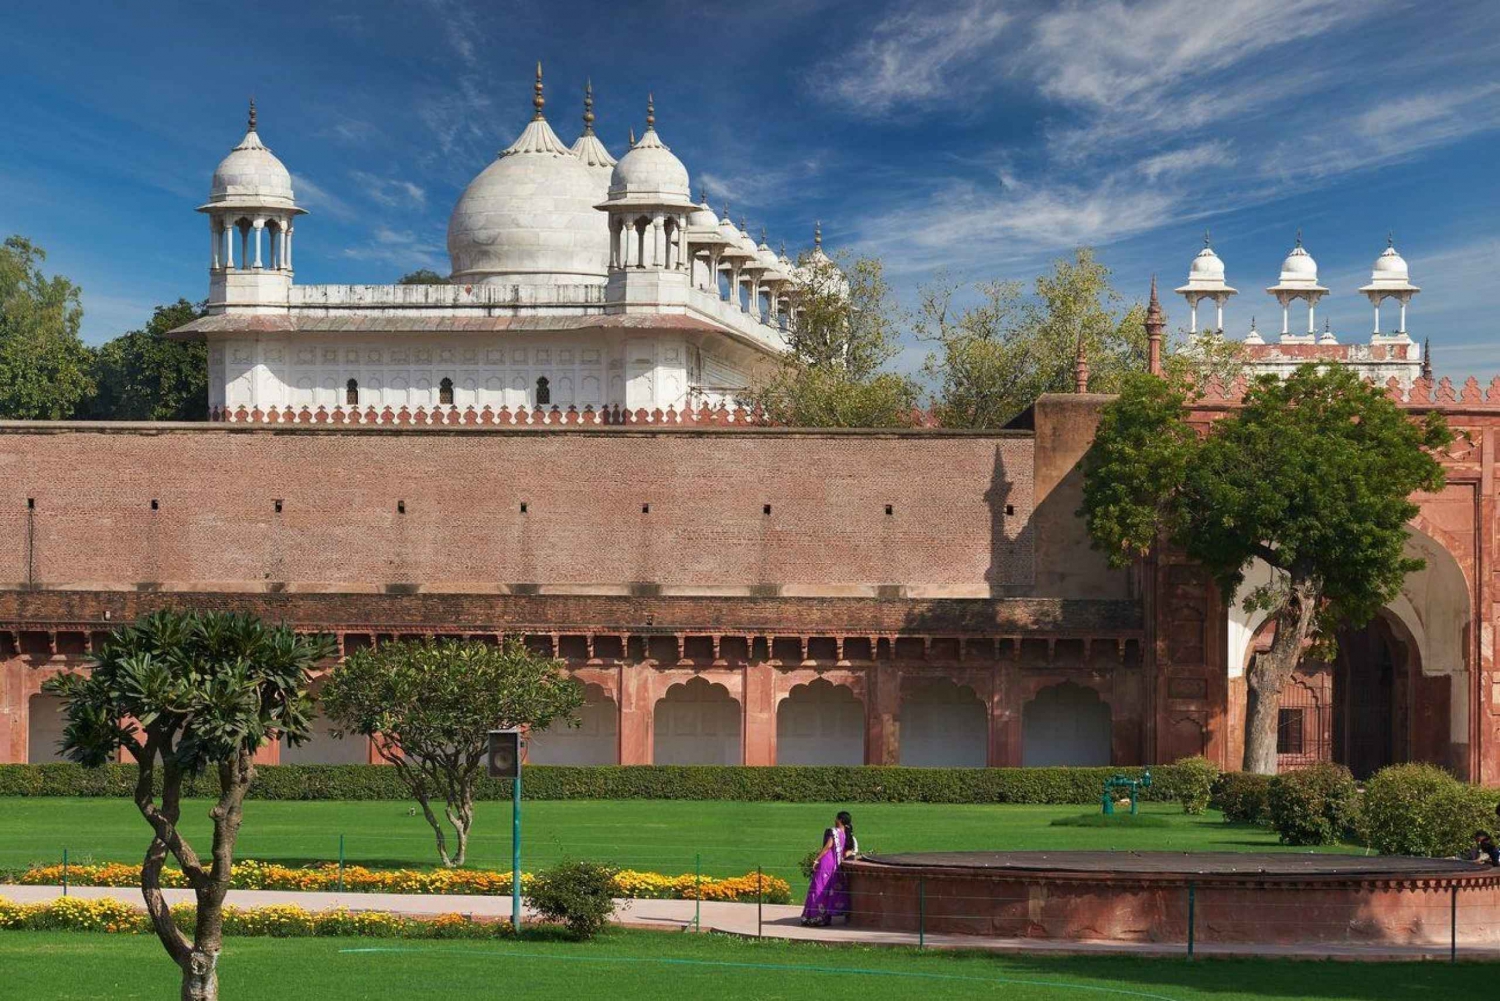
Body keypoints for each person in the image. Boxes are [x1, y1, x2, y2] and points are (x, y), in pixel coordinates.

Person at [801, 811, 852, 926]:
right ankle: (823, 917)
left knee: (818, 887)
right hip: (835, 864)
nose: (834, 819)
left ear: (840, 820)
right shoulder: (846, 833)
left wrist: (817, 859)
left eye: (836, 818)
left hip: (826, 861)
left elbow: (829, 846)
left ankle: (814, 917)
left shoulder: (834, 831)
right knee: (827, 889)